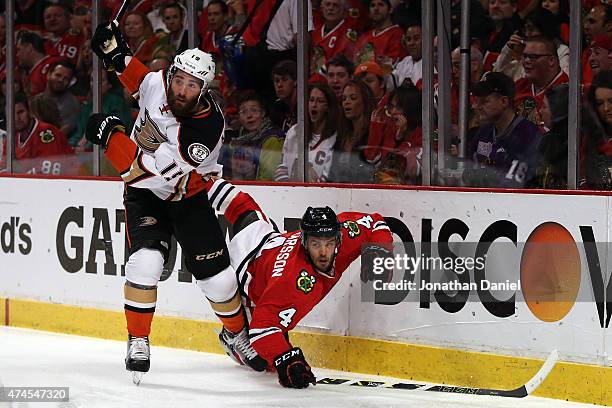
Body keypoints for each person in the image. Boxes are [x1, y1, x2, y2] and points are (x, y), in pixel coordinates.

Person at [87, 20, 266, 378]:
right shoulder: (158, 82)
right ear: (172, 75)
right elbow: (132, 72)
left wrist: (112, 137)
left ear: (203, 89)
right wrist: (111, 50)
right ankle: (137, 339)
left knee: (219, 280)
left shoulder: (205, 129)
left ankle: (235, 335)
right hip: (145, 199)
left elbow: (144, 171)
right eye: (180, 79)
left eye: (192, 85)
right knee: (146, 263)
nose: (182, 90)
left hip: (187, 196)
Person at [203, 177, 393, 388]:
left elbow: (375, 222)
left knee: (240, 204)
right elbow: (261, 329)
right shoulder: (288, 280)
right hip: (247, 274)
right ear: (304, 242)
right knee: (262, 363)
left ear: (339, 240)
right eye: (315, 244)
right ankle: (234, 334)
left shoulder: (347, 236)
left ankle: (198, 179)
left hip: (263, 236)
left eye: (329, 243)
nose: (323, 252)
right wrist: (287, 359)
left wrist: (381, 253)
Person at [465, 72, 542, 188]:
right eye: (477, 101)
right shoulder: (483, 133)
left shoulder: (528, 135)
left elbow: (514, 186)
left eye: (484, 101)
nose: (476, 106)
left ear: (504, 102)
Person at [275, 82, 338, 182]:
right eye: (311, 100)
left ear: (328, 107)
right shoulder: (294, 132)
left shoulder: (335, 138)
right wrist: (288, 189)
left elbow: (330, 179)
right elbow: (282, 166)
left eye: (320, 101)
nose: (314, 105)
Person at [0, 93, 76, 175]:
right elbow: (4, 167)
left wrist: (19, 179)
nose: (17, 118)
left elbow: (46, 169)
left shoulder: (46, 132)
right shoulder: (10, 139)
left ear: (29, 111)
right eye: (11, 114)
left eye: (20, 112)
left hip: (71, 182)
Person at [220, 92, 285, 181]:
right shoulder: (236, 142)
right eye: (243, 111)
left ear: (263, 113)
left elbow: (268, 178)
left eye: (254, 110)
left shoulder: (273, 138)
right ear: (239, 117)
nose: (249, 116)